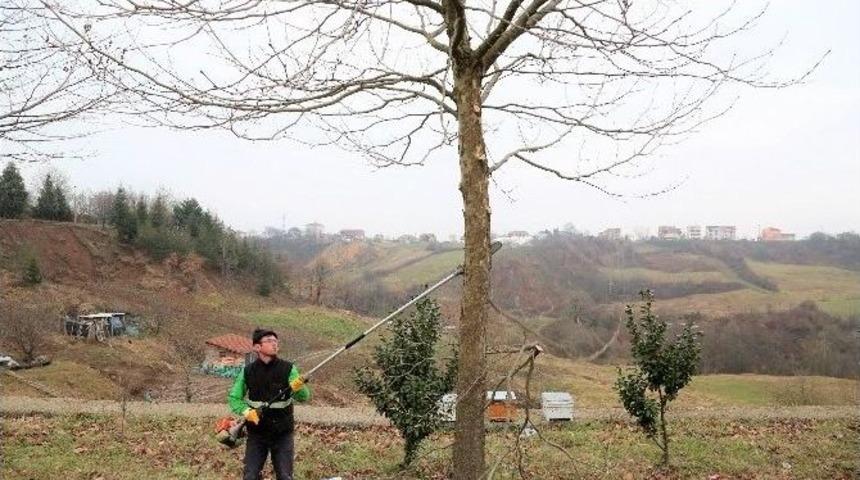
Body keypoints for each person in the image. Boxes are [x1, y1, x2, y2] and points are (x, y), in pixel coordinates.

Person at [228, 328, 310, 480]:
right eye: (269, 341)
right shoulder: (247, 372)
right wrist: (246, 411)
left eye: (275, 341)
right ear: (257, 347)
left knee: (285, 476)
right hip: (257, 433)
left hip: (282, 433)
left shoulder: (288, 369)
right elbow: (234, 398)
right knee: (250, 476)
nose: (274, 344)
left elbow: (304, 397)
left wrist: (299, 387)